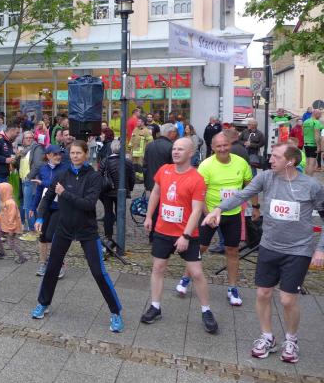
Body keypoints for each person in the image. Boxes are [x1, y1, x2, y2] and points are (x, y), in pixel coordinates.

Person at [202, 142, 324, 363]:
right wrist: (218, 208)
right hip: (269, 246)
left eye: (276, 157)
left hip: (298, 250)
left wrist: (320, 249)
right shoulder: (266, 178)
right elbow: (242, 195)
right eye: (271, 155)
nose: (270, 160)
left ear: (290, 161)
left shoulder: (311, 186)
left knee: (287, 299)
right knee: (262, 294)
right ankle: (267, 337)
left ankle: (291, 339)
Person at [31, 141, 124, 333]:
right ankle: (43, 303)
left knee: (98, 272)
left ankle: (115, 312)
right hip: (64, 228)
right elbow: (47, 197)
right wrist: (40, 216)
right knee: (52, 268)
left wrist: (64, 193)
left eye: (78, 153)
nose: (74, 156)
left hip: (87, 230)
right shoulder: (62, 174)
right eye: (72, 153)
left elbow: (88, 204)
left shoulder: (94, 177)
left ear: (86, 154)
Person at [140, 137, 218, 334]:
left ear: (191, 153)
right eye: (174, 148)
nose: (175, 152)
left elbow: (197, 210)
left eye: (180, 149)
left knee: (196, 273)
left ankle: (206, 311)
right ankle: (155, 306)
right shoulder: (164, 170)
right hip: (162, 230)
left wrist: (185, 236)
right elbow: (155, 193)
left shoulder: (197, 178)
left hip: (187, 234)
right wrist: (149, 216)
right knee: (158, 268)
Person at [175, 132, 251, 305]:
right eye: (219, 146)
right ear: (212, 147)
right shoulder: (206, 165)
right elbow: (199, 194)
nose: (222, 149)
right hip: (209, 213)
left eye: (225, 145)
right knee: (200, 247)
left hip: (232, 214)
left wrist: (255, 206)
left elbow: (249, 186)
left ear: (230, 145)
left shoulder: (241, 162)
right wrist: (209, 214)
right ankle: (185, 278)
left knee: (232, 250)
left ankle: (232, 288)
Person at [32, 145, 69, 276]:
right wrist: (33, 206)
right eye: (55, 154)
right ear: (48, 156)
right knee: (42, 236)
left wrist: (43, 183)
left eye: (60, 154)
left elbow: (58, 186)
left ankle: (59, 264)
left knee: (52, 236)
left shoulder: (65, 168)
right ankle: (43, 263)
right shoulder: (42, 169)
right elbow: (39, 190)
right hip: (45, 206)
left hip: (59, 207)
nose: (58, 156)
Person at [98, 140, 135, 243]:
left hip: (107, 191)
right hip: (121, 192)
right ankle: (120, 234)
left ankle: (108, 236)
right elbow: (132, 178)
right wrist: (130, 188)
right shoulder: (127, 162)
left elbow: (99, 176)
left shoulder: (105, 161)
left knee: (108, 213)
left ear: (111, 149)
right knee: (120, 213)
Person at [16, 131, 43, 237]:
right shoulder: (24, 150)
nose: (28, 139)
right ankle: (36, 229)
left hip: (30, 181)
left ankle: (32, 231)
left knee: (28, 207)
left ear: (33, 138)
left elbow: (38, 164)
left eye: (30, 137)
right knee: (31, 206)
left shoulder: (37, 148)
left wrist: (29, 176)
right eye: (26, 137)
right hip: (23, 180)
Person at [0, 183, 27, 263]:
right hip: (3, 226)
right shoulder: (4, 201)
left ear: (5, 191)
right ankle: (1, 252)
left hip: (10, 227)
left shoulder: (11, 203)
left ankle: (22, 257)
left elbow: (12, 217)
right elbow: (3, 214)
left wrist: (11, 229)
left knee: (11, 243)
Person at [302, 109, 323, 175]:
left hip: (306, 144)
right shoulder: (316, 122)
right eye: (320, 114)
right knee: (312, 164)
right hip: (313, 145)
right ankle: (309, 178)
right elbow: (317, 136)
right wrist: (318, 146)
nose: (321, 116)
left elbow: (303, 133)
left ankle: (305, 177)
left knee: (307, 162)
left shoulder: (305, 121)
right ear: (316, 114)